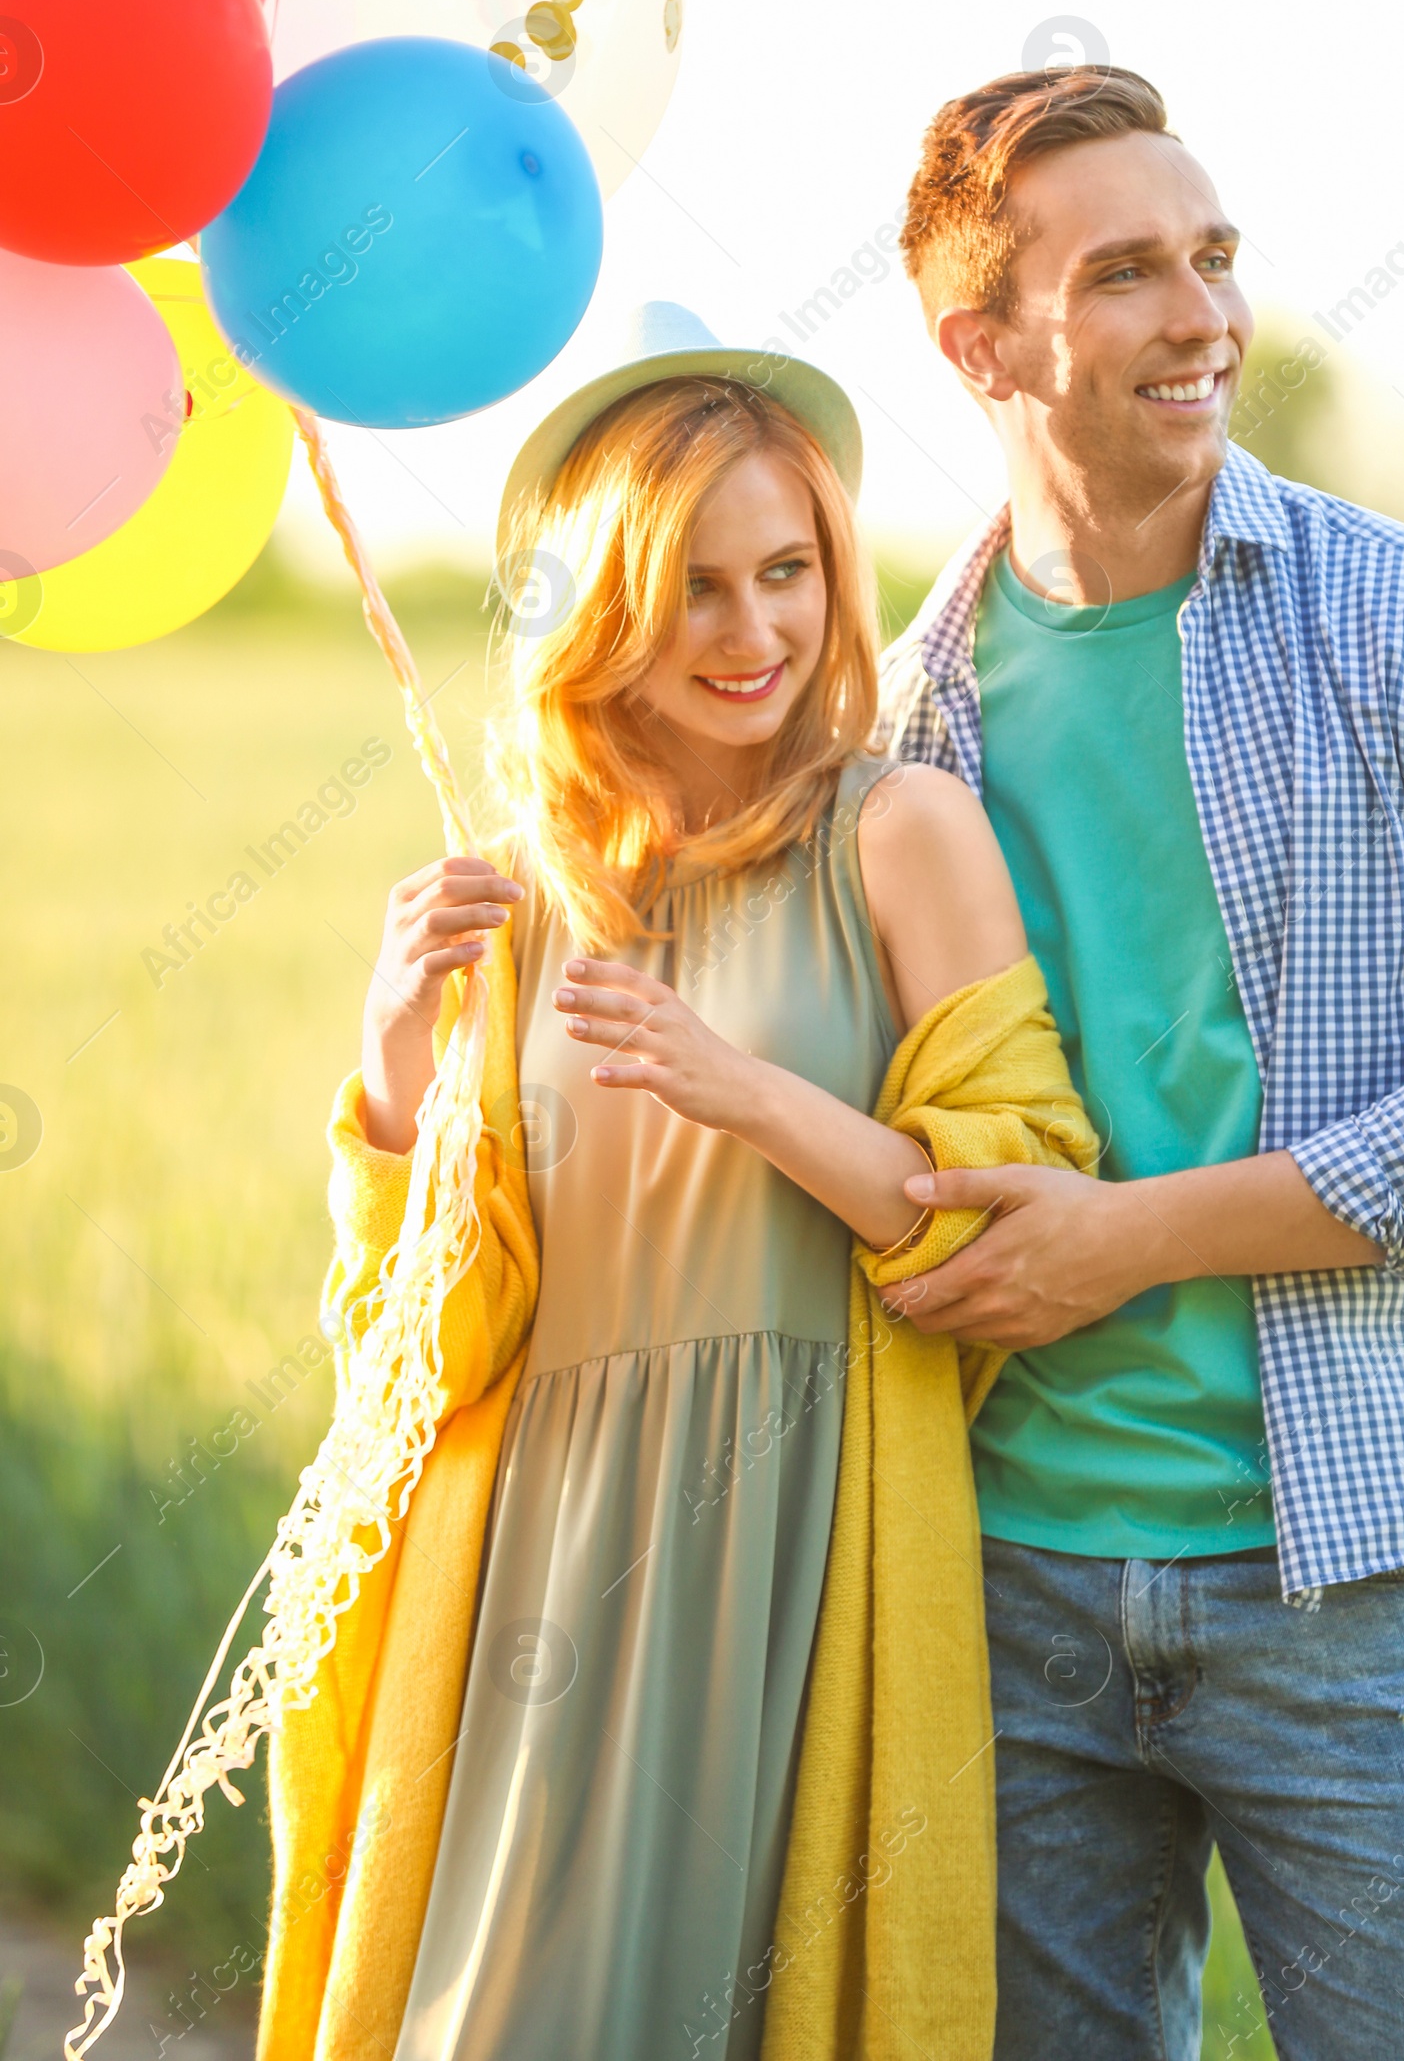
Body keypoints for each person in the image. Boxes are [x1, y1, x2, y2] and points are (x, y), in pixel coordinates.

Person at [255, 304, 1094, 2061]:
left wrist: (753, 1096)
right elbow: (432, 1344)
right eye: (697, 587)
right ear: (607, 611)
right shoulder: (521, 898)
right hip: (540, 1567)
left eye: (788, 570)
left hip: (796, 1541)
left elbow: (1016, 1223)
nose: (755, 629)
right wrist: (398, 1066)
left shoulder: (902, 833)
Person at [877, 63, 1404, 2058]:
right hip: (1000, 1574)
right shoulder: (896, 723)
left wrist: (1134, 1240)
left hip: (1341, 1573)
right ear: (979, 343)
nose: (1197, 314)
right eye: (1123, 272)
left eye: (1209, 258)